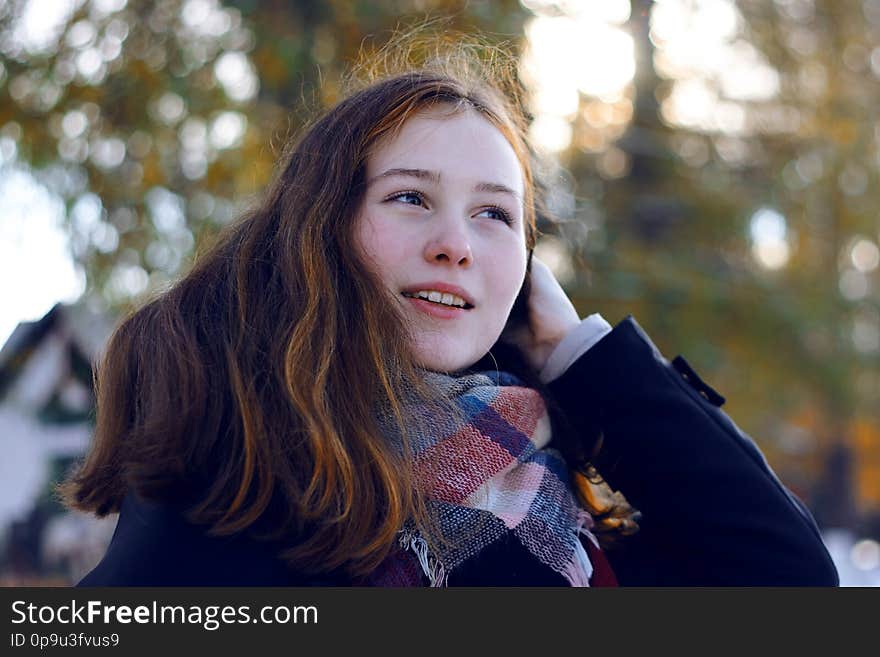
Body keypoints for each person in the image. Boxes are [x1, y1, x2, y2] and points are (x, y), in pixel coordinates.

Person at [62, 43, 839, 587]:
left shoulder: (559, 497)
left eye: (495, 216)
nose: (455, 245)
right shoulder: (234, 469)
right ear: (321, 225)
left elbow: (789, 579)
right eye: (410, 197)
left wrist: (577, 352)